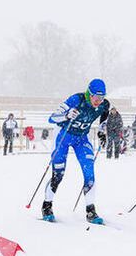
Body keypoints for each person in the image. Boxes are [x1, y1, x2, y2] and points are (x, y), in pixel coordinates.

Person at [43, 79, 110, 224]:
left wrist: (101, 131)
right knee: (58, 175)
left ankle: (91, 211)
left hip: (81, 139)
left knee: (89, 172)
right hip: (63, 135)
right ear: (89, 94)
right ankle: (47, 206)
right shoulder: (76, 100)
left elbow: (105, 115)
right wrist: (66, 115)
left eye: (101, 98)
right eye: (96, 98)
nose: (98, 101)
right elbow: (52, 118)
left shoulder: (104, 104)